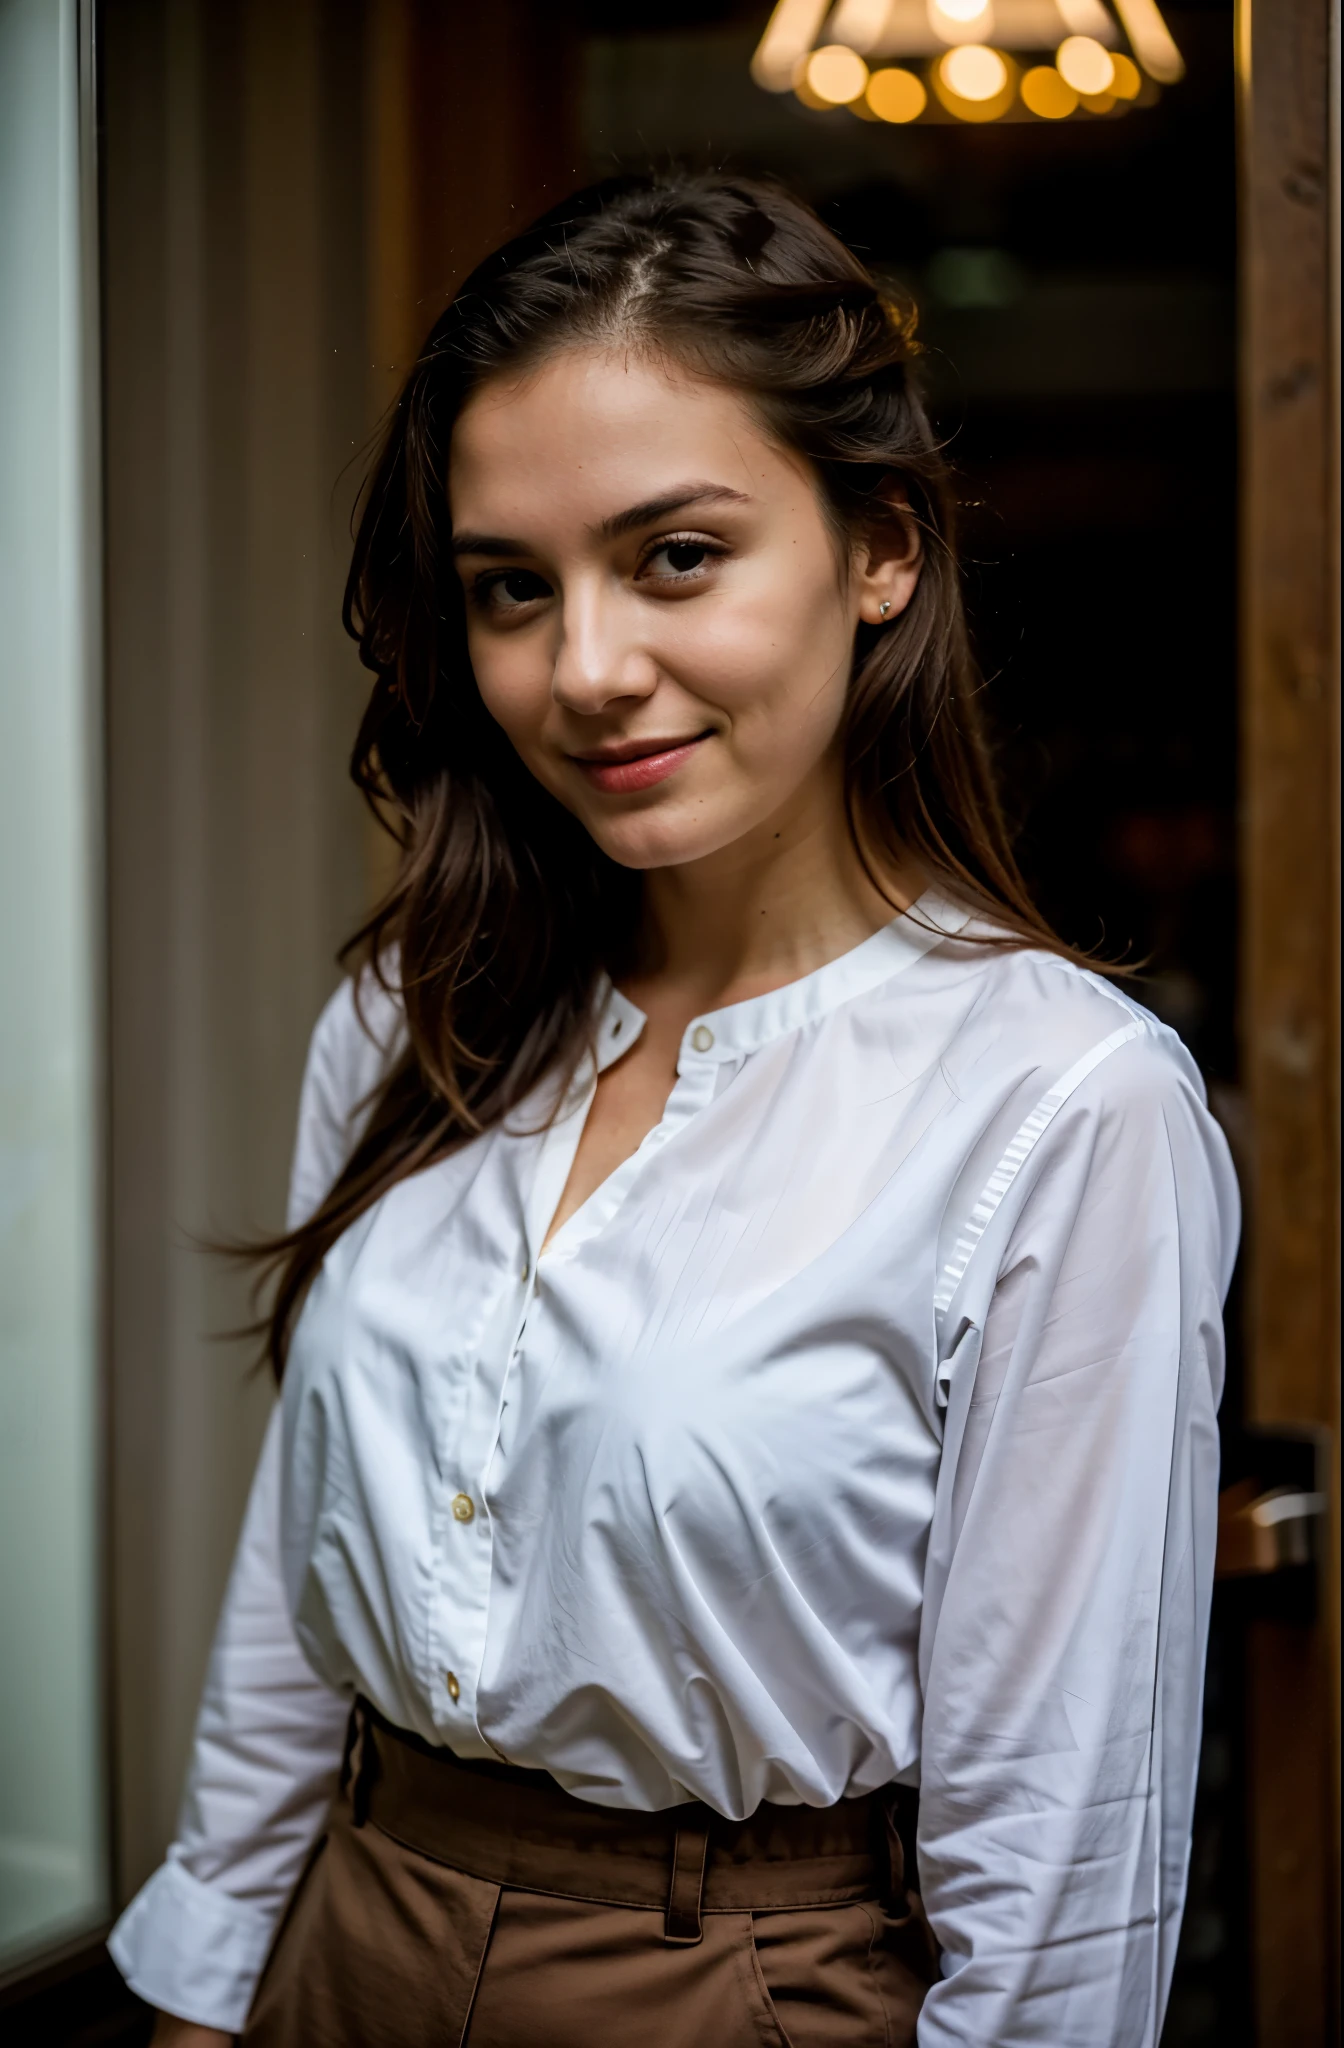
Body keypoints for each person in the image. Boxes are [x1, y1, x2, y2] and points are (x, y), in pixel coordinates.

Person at [109, 172, 1238, 2047]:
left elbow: (1060, 1860)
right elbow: (292, 1577)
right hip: (346, 1942)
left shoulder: (1059, 1106)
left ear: (879, 548)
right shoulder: (417, 1015)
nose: (588, 669)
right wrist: (207, 1982)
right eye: (509, 591)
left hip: (744, 1988)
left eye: (677, 556)